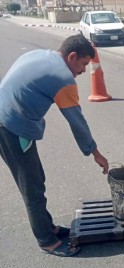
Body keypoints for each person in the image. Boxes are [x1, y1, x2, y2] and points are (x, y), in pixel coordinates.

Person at [0, 34, 109, 257]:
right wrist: (95, 152)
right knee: (32, 187)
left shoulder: (40, 55)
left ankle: (48, 228)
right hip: (11, 127)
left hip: (9, 118)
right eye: (83, 64)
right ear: (72, 56)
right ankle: (46, 240)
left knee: (36, 179)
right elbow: (76, 122)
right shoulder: (63, 79)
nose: (82, 71)